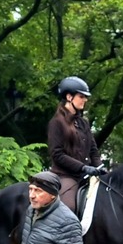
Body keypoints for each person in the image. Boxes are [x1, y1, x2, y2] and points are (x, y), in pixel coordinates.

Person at [48, 76, 104, 213]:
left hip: (86, 176)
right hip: (66, 176)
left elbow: (93, 150)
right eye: (81, 96)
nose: (85, 100)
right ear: (69, 97)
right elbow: (57, 155)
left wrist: (100, 168)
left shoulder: (83, 122)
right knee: (69, 208)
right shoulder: (56, 123)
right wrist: (83, 168)